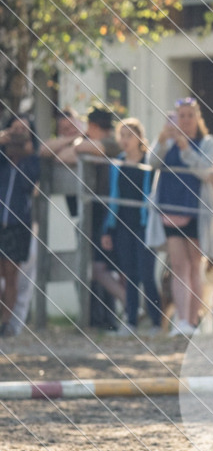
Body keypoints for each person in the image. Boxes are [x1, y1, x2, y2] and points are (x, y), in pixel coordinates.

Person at [148, 98, 213, 337]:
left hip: (196, 214)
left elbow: (204, 171)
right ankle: (182, 321)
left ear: (197, 118)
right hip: (169, 212)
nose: (186, 120)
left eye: (190, 115)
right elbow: (151, 163)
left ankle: (193, 320)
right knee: (178, 267)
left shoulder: (208, 143)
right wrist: (160, 143)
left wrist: (186, 150)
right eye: (182, 115)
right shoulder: (166, 142)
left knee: (194, 266)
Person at [101, 119, 161, 334]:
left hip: (144, 225)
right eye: (122, 136)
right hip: (123, 226)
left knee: (147, 275)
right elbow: (113, 197)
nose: (125, 140)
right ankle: (131, 321)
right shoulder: (117, 163)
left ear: (139, 138)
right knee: (129, 274)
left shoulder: (149, 163)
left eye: (130, 135)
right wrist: (108, 229)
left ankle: (156, 322)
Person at [73, 105, 124, 330]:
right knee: (98, 268)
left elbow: (79, 149)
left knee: (105, 268)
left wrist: (75, 143)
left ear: (93, 126)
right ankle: (102, 317)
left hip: (110, 215)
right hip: (97, 215)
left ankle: (131, 308)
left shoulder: (112, 143)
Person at [0, 115, 40, 337]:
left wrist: (24, 154)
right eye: (14, 130)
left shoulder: (31, 160)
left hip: (18, 223)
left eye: (23, 131)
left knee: (11, 275)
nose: (17, 135)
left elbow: (29, 183)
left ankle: (6, 324)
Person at [39, 107, 84, 217]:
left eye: (73, 127)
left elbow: (66, 157)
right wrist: (74, 137)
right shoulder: (57, 144)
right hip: (61, 198)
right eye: (66, 129)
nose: (70, 131)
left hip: (84, 196)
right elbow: (44, 150)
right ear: (59, 131)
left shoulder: (86, 143)